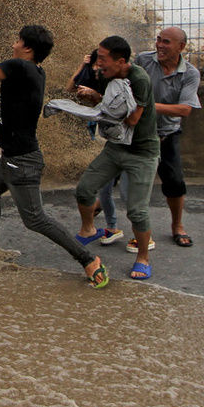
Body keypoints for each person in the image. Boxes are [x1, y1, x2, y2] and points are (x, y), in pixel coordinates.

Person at [0, 25, 109, 288]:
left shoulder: (18, 67)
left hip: (21, 162)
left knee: (35, 219)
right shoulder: (33, 70)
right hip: (11, 159)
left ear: (27, 47)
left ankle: (88, 259)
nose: (13, 44)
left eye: (17, 40)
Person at [73, 36, 160, 280]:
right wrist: (92, 97)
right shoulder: (106, 75)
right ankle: (89, 229)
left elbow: (132, 119)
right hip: (116, 146)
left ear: (121, 61)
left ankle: (143, 258)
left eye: (103, 59)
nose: (98, 63)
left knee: (137, 211)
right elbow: (91, 96)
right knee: (84, 190)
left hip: (142, 152)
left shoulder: (139, 79)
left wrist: (99, 103)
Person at [136, 27, 202, 247]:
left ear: (181, 47)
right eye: (158, 40)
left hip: (167, 134)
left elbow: (184, 109)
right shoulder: (143, 61)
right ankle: (97, 210)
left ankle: (177, 226)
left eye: (166, 42)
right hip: (138, 132)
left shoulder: (190, 73)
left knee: (174, 181)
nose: (159, 45)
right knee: (113, 174)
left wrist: (147, 106)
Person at [63, 50, 124, 245]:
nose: (98, 68)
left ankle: (144, 238)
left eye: (100, 64)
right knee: (105, 187)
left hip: (127, 141)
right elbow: (70, 88)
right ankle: (112, 227)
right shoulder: (93, 77)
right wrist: (83, 66)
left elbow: (116, 108)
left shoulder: (117, 82)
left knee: (130, 193)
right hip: (109, 141)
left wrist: (97, 96)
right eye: (95, 64)